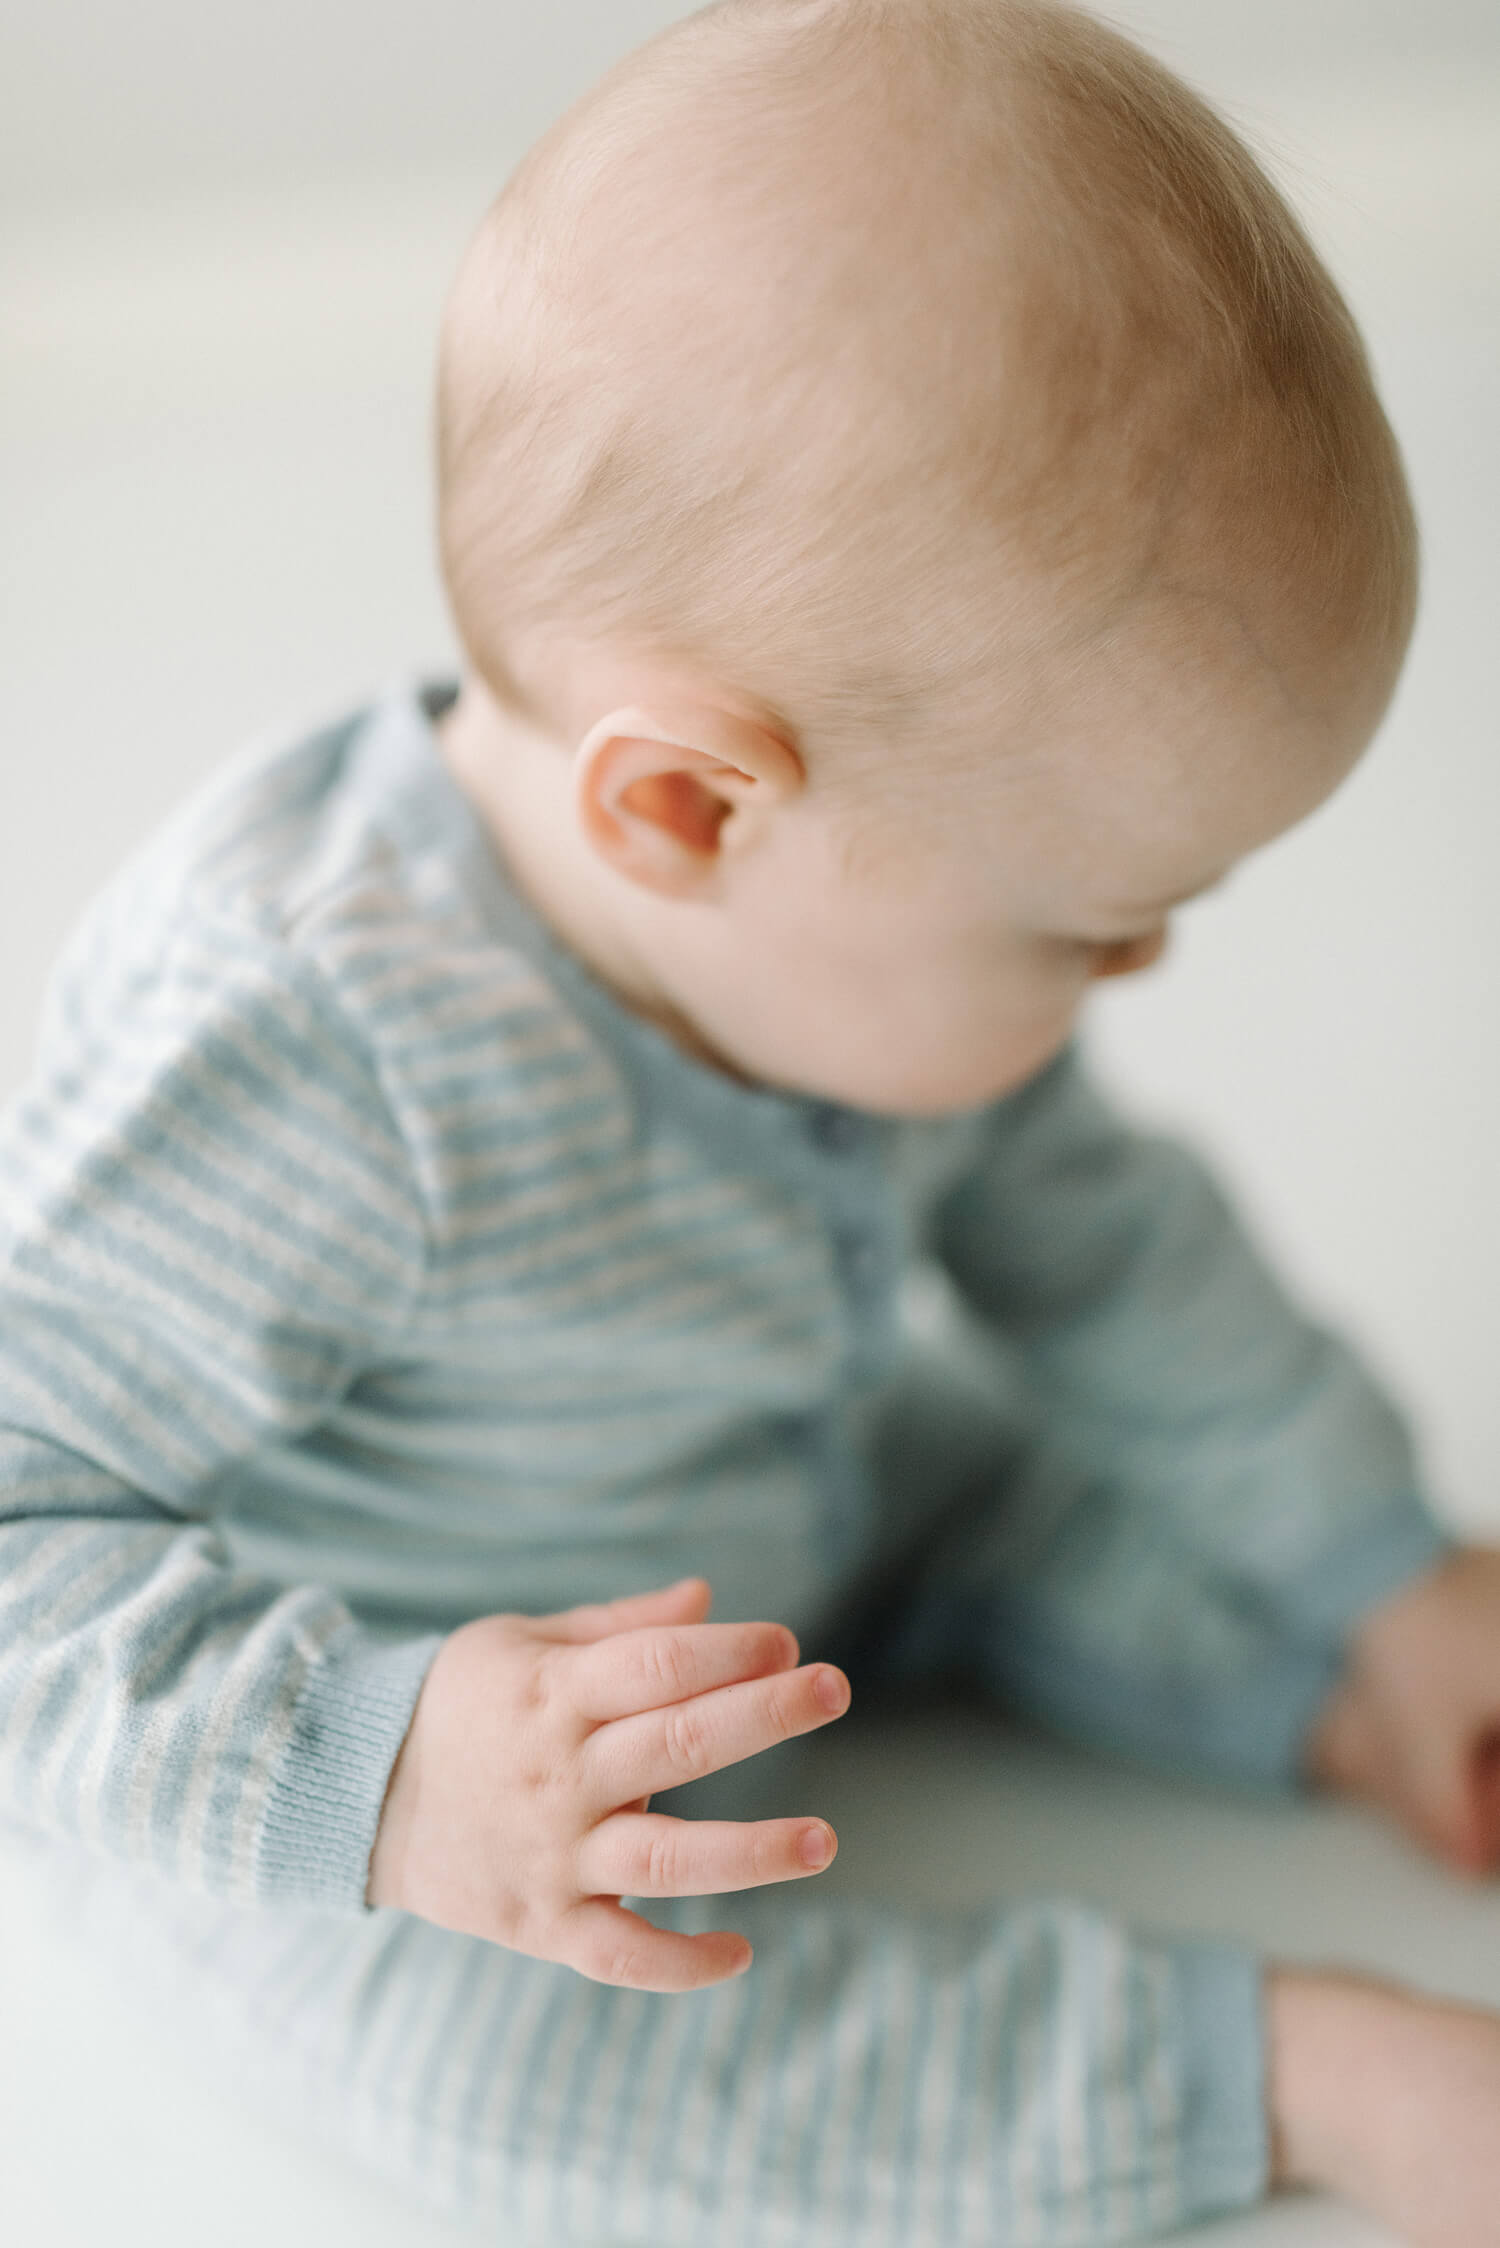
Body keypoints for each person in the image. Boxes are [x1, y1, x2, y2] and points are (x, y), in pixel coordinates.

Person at [3, 1, 1499, 2240]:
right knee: (540, 2084)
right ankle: (1300, 2068)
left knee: (1033, 1471)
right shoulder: (311, 1052)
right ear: (694, 804)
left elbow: (1101, 1243)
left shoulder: (818, 901)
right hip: (427, 1776)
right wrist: (389, 1769)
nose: (1138, 973)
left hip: (780, 1487)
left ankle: (1364, 1693)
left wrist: (1375, 1566)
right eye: (1090, 928)